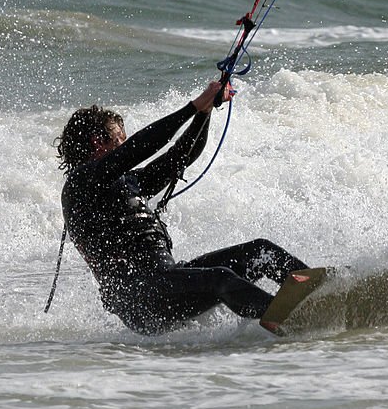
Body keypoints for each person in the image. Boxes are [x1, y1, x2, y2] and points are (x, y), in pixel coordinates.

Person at [56, 80, 308, 334]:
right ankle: (295, 323)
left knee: (259, 251)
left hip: (164, 280)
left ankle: (320, 293)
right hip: (139, 298)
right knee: (221, 279)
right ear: (99, 142)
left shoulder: (127, 183)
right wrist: (192, 106)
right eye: (120, 139)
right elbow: (140, 147)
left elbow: (181, 157)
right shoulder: (80, 185)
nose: (126, 144)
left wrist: (204, 112)